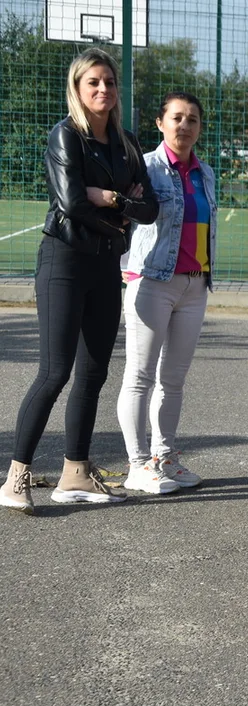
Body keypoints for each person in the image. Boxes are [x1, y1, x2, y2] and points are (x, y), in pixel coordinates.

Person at [2, 49, 158, 513]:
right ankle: (15, 477)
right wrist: (121, 205)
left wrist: (109, 198)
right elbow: (72, 203)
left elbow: (149, 208)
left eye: (109, 81)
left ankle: (75, 471)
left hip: (106, 265)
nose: (103, 90)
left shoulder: (127, 144)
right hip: (64, 261)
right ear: (77, 88)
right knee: (54, 372)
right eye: (93, 82)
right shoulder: (65, 136)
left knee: (94, 372)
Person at [116, 92, 216, 495]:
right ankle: (137, 464)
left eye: (192, 119)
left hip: (196, 283)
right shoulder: (147, 168)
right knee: (139, 376)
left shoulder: (205, 172)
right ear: (160, 123)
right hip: (153, 280)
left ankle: (164, 457)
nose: (185, 125)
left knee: (173, 378)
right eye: (177, 117)